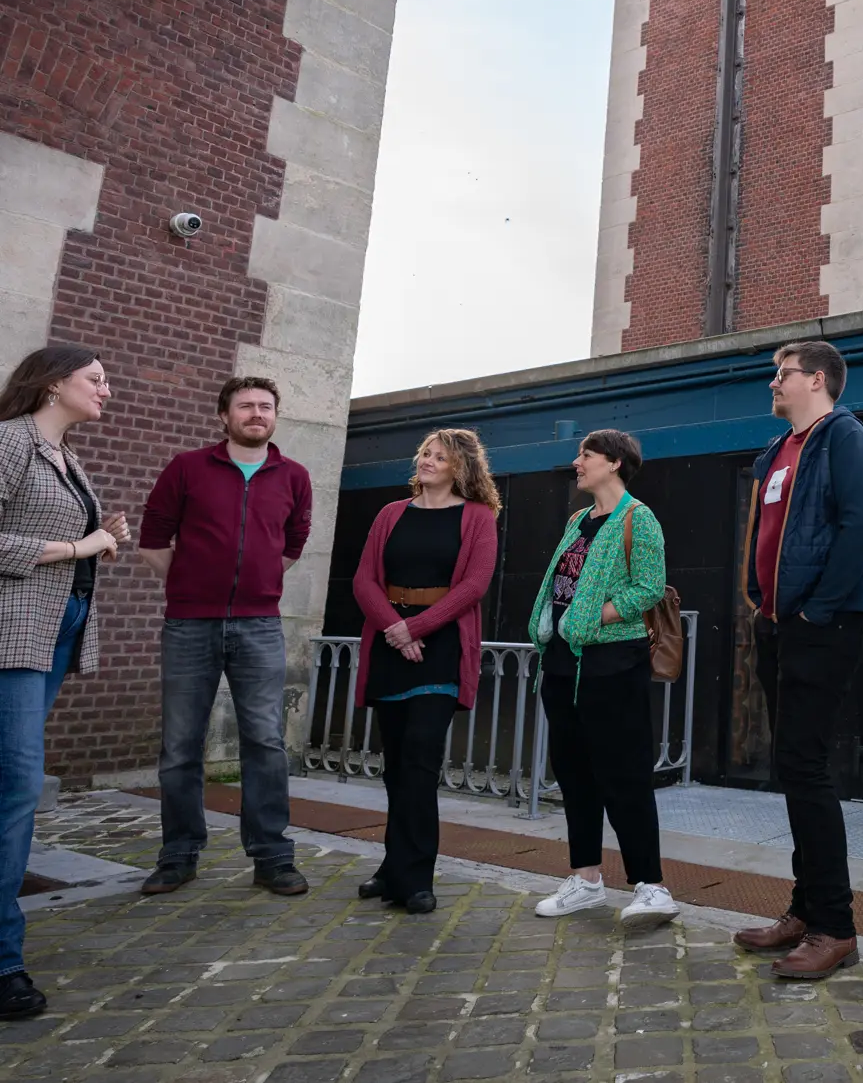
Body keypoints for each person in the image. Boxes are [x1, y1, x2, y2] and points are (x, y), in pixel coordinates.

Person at [732, 341, 863, 978]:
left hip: (828, 622)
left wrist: (816, 610)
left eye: (782, 374)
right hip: (780, 624)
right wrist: (763, 606)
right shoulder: (778, 452)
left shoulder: (843, 438)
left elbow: (859, 524)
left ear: (816, 380)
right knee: (793, 767)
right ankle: (804, 908)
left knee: (805, 764)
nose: (773, 382)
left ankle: (835, 927)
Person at [137, 377, 313, 898]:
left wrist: (257, 588)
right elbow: (152, 539)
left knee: (265, 743)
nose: (256, 414)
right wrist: (192, 586)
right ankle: (178, 855)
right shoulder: (187, 468)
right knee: (180, 746)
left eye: (265, 407)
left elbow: (294, 541)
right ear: (224, 415)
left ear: (275, 416)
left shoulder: (294, 476)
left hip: (260, 626)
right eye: (246, 406)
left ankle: (273, 857)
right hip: (189, 625)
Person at [0, 346, 127, 1020]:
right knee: (18, 783)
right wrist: (81, 547)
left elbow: (47, 532)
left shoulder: (69, 458)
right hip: (11, 633)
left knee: (9, 783)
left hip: (56, 630)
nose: (106, 390)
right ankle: (3, 962)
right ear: (54, 383)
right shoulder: (10, 442)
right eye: (95, 380)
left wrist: (100, 533)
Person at [526, 429, 678, 930]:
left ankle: (652, 887)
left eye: (585, 456)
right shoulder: (576, 520)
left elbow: (649, 587)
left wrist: (598, 615)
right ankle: (586, 879)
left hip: (615, 663)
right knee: (573, 773)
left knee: (625, 774)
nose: (577, 463)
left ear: (613, 463)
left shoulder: (640, 518)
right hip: (564, 662)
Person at [350, 429, 500, 913]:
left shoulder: (478, 517)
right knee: (396, 765)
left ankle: (415, 878)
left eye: (440, 457)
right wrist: (396, 628)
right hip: (393, 646)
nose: (428, 462)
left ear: (461, 468)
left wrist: (416, 627)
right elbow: (364, 580)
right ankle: (393, 865)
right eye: (425, 455)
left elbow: (474, 585)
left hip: (442, 650)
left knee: (419, 758)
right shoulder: (391, 514)